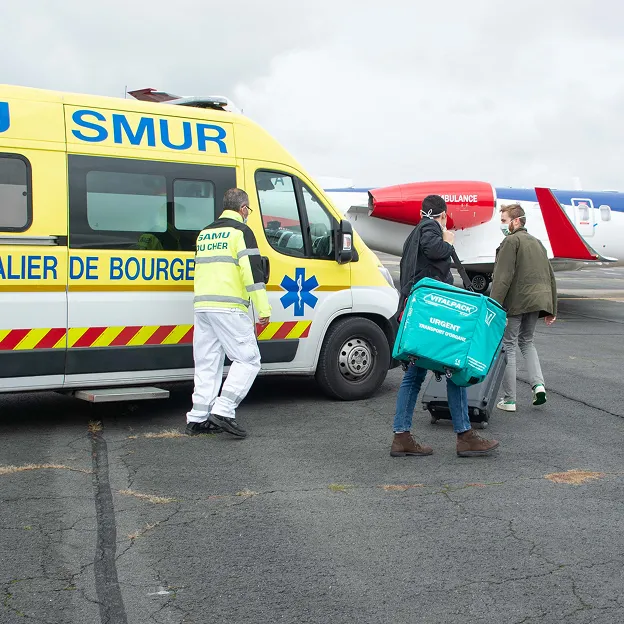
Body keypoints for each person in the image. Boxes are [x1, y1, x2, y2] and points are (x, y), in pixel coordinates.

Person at [391, 195, 500, 458]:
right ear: (442, 215)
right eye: (444, 218)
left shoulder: (413, 234)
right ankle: (464, 436)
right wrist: (447, 241)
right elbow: (435, 250)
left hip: (417, 315)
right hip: (431, 315)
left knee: (415, 376)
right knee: (453, 366)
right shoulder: (430, 227)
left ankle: (402, 436)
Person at [185, 188, 271, 438]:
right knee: (248, 359)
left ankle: (198, 418)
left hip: (203, 306)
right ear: (243, 209)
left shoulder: (205, 233)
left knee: (207, 362)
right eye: (248, 210)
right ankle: (223, 410)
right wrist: (263, 309)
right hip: (229, 307)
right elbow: (252, 274)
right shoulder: (241, 232)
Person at [491, 203, 557, 412]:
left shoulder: (511, 242)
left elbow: (502, 278)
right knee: (527, 342)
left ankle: (509, 399)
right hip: (537, 302)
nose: (502, 225)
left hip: (516, 303)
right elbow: (550, 276)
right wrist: (552, 308)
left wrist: (493, 305)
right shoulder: (538, 243)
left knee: (508, 345)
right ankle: (538, 386)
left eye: (504, 220)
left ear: (516, 221)